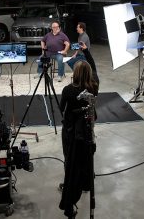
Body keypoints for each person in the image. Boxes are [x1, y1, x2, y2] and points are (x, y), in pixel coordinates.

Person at [59, 60, 99, 218]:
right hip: (87, 131)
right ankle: (86, 182)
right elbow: (94, 70)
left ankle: (71, 184)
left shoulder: (68, 90)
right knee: (86, 156)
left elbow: (62, 108)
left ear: (74, 74)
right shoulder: (93, 87)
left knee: (70, 160)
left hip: (71, 131)